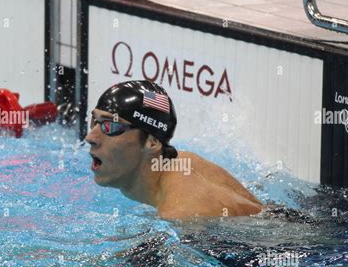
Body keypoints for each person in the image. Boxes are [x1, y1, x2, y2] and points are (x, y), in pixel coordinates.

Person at [85, 80, 264, 220]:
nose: (90, 137)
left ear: (152, 142)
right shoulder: (181, 162)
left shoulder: (179, 214)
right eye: (95, 121)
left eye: (110, 126)